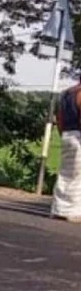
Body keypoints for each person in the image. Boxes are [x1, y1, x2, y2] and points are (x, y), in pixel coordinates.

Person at [53, 80, 81, 222]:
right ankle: (75, 212)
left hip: (67, 134)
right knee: (78, 175)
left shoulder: (66, 94)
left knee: (66, 174)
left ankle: (59, 209)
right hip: (78, 136)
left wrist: (62, 133)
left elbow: (59, 118)